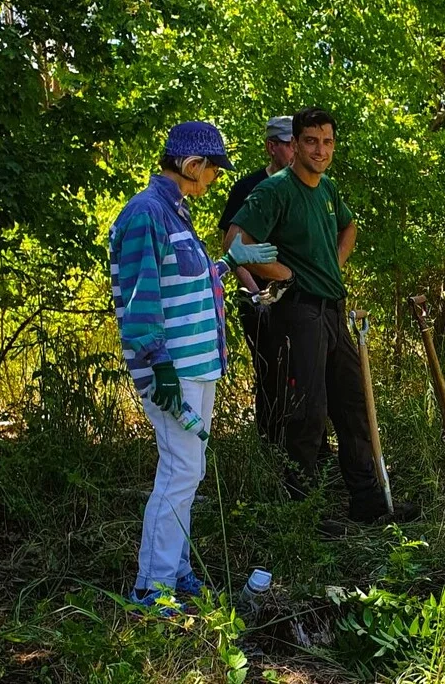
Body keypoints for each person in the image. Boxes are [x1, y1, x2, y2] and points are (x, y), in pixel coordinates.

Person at [110, 121, 278, 613]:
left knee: (190, 470)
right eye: (212, 170)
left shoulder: (175, 213)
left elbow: (186, 282)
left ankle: (177, 571)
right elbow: (141, 296)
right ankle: (151, 587)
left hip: (198, 367)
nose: (215, 179)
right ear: (191, 165)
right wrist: (158, 362)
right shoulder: (146, 213)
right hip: (174, 370)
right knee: (179, 470)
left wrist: (228, 262)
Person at [224, 107, 413, 523]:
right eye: (311, 141)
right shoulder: (275, 190)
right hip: (297, 312)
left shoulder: (327, 188)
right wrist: (283, 273)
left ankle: (367, 500)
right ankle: (303, 512)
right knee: (306, 413)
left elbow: (349, 227)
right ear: (294, 144)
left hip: (332, 310)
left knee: (352, 403)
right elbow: (234, 243)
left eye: (327, 142)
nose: (320, 150)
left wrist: (334, 264)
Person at [217, 116, 293, 438]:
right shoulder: (248, 188)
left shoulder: (306, 187)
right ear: (271, 147)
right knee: (270, 371)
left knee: (303, 371)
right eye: (288, 144)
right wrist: (256, 294)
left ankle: (308, 446)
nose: (295, 151)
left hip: (297, 297)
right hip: (259, 299)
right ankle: (270, 442)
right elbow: (232, 248)